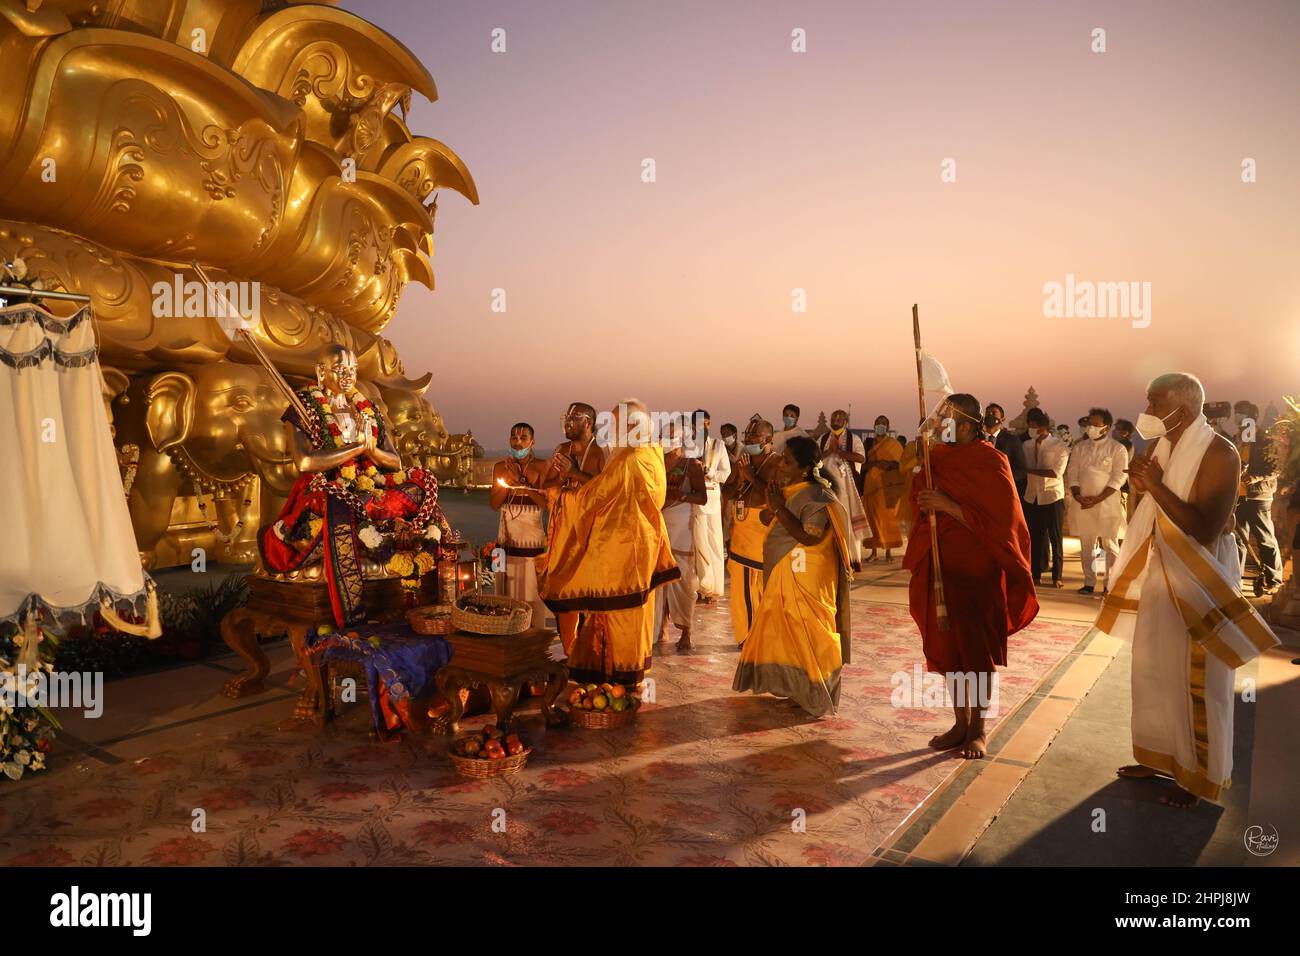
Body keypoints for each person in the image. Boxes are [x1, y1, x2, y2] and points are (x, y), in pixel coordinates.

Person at [1097, 374, 1278, 806]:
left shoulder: (1220, 452)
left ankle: (1198, 777)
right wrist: (1145, 488)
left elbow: (1204, 528)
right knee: (1154, 669)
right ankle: (1161, 756)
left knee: (1198, 679)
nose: (1148, 408)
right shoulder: (1163, 446)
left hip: (1200, 574)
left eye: (1154, 401)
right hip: (1162, 570)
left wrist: (1154, 486)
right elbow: (1155, 508)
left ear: (1184, 406)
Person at [260, 345, 451, 626]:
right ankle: (353, 609)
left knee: (420, 488)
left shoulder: (367, 408)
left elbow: (395, 462)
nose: (347, 375)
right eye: (339, 369)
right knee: (343, 503)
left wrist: (371, 450)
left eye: (352, 370)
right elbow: (305, 462)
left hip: (372, 484)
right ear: (320, 372)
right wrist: (355, 448)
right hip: (326, 485)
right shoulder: (304, 407)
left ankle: (440, 572)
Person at [904, 394, 1038, 759]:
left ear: (966, 425)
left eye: (945, 419)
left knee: (975, 652)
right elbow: (919, 501)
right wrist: (925, 493)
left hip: (977, 570)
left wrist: (948, 505)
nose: (938, 424)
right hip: (941, 565)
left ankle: (978, 729)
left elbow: (1003, 522)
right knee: (949, 648)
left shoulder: (990, 460)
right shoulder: (937, 458)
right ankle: (960, 722)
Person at [537, 399, 679, 686]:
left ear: (631, 426)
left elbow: (595, 497)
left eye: (615, 424)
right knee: (628, 610)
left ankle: (621, 675)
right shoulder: (650, 453)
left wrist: (563, 497)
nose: (610, 429)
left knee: (618, 612)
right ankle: (623, 670)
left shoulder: (629, 460)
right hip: (640, 542)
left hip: (621, 549)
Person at [733, 436, 856, 716]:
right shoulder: (794, 489)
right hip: (785, 573)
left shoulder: (818, 496)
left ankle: (818, 694)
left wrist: (776, 508)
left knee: (811, 633)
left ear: (803, 469)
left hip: (808, 578)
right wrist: (765, 495)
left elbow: (808, 536)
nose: (779, 463)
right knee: (785, 632)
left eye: (786, 460)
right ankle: (798, 690)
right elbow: (777, 511)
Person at [538, 402, 606, 652]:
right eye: (565, 417)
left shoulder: (600, 453)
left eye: (573, 418)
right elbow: (548, 483)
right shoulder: (562, 449)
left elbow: (604, 491)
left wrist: (575, 474)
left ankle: (589, 650)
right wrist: (561, 482)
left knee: (587, 591)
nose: (567, 422)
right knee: (561, 590)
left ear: (588, 423)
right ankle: (569, 649)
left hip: (589, 535)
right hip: (562, 530)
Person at [724, 417, 781, 644]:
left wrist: (750, 475)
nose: (747, 441)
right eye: (746, 437)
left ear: (768, 439)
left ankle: (758, 638)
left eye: (753, 437)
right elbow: (728, 490)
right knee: (741, 590)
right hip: (740, 532)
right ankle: (748, 637)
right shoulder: (743, 460)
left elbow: (773, 495)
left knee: (760, 589)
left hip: (761, 532)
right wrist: (737, 478)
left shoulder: (777, 463)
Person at [489, 423, 549, 627]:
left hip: (531, 542)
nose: (518, 442)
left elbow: (546, 504)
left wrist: (522, 481)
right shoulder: (499, 467)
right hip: (504, 541)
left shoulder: (542, 466)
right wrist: (509, 481)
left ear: (532, 442)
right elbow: (494, 504)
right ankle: (506, 636)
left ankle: (534, 642)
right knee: (504, 594)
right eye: (514, 437)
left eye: (523, 438)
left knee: (532, 596)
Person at [657, 414, 708, 650]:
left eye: (670, 436)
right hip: (659, 523)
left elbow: (703, 498)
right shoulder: (655, 462)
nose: (664, 439)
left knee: (684, 578)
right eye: (662, 435)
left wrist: (682, 495)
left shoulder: (692, 465)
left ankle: (686, 631)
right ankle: (661, 627)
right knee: (658, 577)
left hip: (683, 527)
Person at [1066, 407, 1129, 595]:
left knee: (1110, 545)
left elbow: (1119, 478)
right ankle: (1089, 582)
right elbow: (1073, 474)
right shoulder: (1079, 448)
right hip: (1083, 503)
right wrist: (1078, 496)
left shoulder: (1117, 448)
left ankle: (1111, 583)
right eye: (1089, 424)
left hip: (1107, 504)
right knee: (1087, 545)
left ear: (1106, 427)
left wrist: (1099, 498)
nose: (1091, 428)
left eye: (1095, 424)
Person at [1231, 400, 1284, 594]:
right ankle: (1234, 579)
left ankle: (1274, 579)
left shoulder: (1265, 440)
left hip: (1259, 497)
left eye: (1241, 412)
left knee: (1265, 539)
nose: (1237, 416)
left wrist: (1257, 477)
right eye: (1236, 412)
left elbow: (1277, 467)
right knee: (1237, 540)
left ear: (1252, 417)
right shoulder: (1237, 439)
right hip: (1239, 496)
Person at [689, 409, 731, 605]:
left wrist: (710, 472)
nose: (702, 427)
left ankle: (714, 589)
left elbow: (726, 474)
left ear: (709, 424)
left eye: (705, 423)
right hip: (694, 499)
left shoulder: (718, 445)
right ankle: (701, 587)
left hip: (712, 497)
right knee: (699, 543)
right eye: (698, 424)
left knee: (714, 542)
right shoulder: (687, 446)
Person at [1023, 407, 1068, 588]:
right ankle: (1036, 574)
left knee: (1056, 538)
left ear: (1044, 427)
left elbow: (1055, 472)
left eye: (1035, 426)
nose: (1032, 429)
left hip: (1052, 497)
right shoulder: (1026, 445)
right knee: (1035, 537)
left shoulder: (1059, 446)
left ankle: (1057, 576)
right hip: (1032, 496)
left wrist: (1029, 470)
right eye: (1030, 426)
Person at [817, 409, 868, 564]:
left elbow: (861, 458)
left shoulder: (854, 439)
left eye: (840, 419)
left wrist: (841, 452)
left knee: (847, 523)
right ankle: (831, 558)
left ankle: (850, 559)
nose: (836, 420)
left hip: (847, 490)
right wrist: (829, 451)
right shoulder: (823, 438)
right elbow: (814, 457)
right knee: (828, 522)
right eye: (834, 418)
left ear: (846, 422)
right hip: (826, 487)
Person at [862, 415, 905, 561]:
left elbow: (901, 464)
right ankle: (873, 552)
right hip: (870, 485)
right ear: (874, 425)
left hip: (887, 487)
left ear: (887, 426)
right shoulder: (868, 444)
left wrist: (888, 463)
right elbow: (863, 464)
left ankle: (888, 552)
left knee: (888, 518)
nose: (880, 425)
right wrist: (875, 464)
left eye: (883, 423)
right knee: (871, 519)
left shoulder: (893, 444)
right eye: (878, 423)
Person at [984, 402, 1028, 501]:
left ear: (1002, 419)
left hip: (1004, 493)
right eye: (987, 413)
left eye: (993, 413)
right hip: (981, 490)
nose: (990, 415)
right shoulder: (977, 439)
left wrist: (1004, 480)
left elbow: (1021, 469)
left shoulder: (1011, 440)